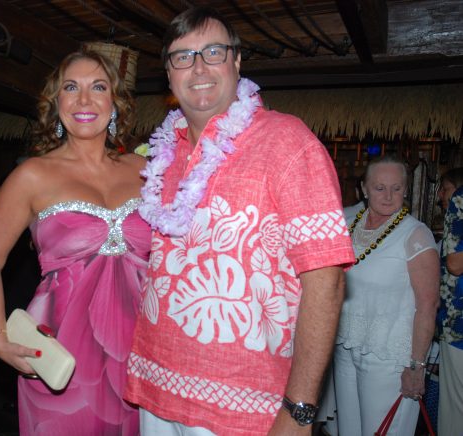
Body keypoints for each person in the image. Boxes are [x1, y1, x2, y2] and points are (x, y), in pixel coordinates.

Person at [124, 7, 355, 435]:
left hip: (245, 404)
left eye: (213, 51)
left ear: (237, 60)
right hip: (156, 388)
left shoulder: (288, 141)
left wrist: (300, 409)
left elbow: (327, 282)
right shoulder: (163, 154)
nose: (198, 68)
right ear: (169, 75)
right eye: (182, 56)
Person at [0, 48, 148, 435]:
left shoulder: (144, 170)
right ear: (56, 103)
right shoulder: (32, 175)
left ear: (115, 102)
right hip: (61, 349)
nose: (84, 99)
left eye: (98, 87)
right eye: (71, 87)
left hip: (142, 349)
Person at [334, 155, 440, 436]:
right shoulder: (348, 221)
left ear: (406, 190)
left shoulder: (415, 235)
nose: (388, 196)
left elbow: (428, 306)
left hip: (389, 355)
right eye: (379, 188)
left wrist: (416, 366)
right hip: (346, 346)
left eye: (396, 188)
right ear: (364, 188)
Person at [436, 167, 463, 436]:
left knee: (455, 411)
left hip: (458, 326)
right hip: (457, 323)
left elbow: (455, 264)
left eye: (445, 189)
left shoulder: (461, 199)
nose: (440, 196)